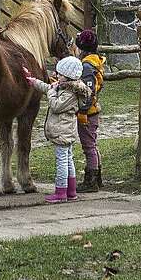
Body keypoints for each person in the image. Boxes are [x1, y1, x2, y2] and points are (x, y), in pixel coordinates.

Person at [22, 56, 90, 203]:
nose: (57, 76)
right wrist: (33, 81)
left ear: (68, 76)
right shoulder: (65, 87)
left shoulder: (70, 93)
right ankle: (71, 191)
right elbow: (48, 87)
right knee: (68, 160)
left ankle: (61, 192)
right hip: (65, 131)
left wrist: (51, 92)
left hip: (62, 132)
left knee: (62, 161)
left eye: (60, 74)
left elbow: (56, 105)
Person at [73, 29, 105, 192]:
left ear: (82, 48)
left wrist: (83, 112)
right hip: (93, 110)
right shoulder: (95, 61)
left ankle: (90, 182)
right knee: (93, 145)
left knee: (88, 147)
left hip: (88, 113)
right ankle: (97, 178)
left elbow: (88, 91)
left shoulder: (86, 65)